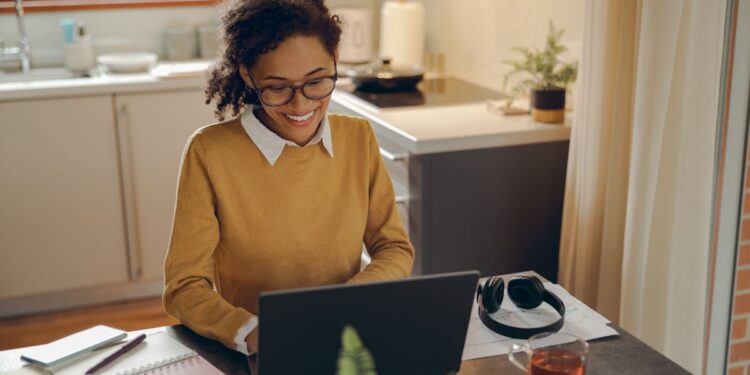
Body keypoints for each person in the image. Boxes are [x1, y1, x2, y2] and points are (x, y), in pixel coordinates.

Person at [162, 0, 415, 355]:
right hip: (261, 351)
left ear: (335, 62)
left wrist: (349, 300)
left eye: (316, 81)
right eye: (278, 87)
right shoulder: (210, 152)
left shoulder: (358, 137)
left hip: (347, 340)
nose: (300, 106)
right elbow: (184, 286)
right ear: (249, 75)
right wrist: (250, 332)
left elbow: (393, 248)